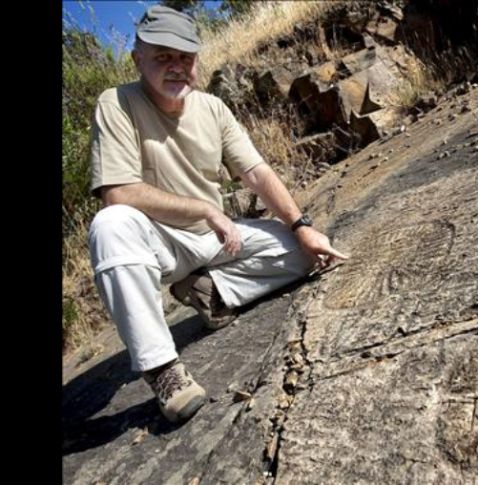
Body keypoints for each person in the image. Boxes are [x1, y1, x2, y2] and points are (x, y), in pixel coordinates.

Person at [87, 6, 348, 423]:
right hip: (161, 243)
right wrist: (205, 208)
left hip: (214, 241)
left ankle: (209, 289)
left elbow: (256, 173)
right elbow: (117, 192)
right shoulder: (117, 103)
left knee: (305, 255)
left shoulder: (212, 108)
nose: (176, 67)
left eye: (184, 57)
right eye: (162, 56)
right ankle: (163, 371)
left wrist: (302, 227)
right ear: (138, 59)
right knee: (110, 225)